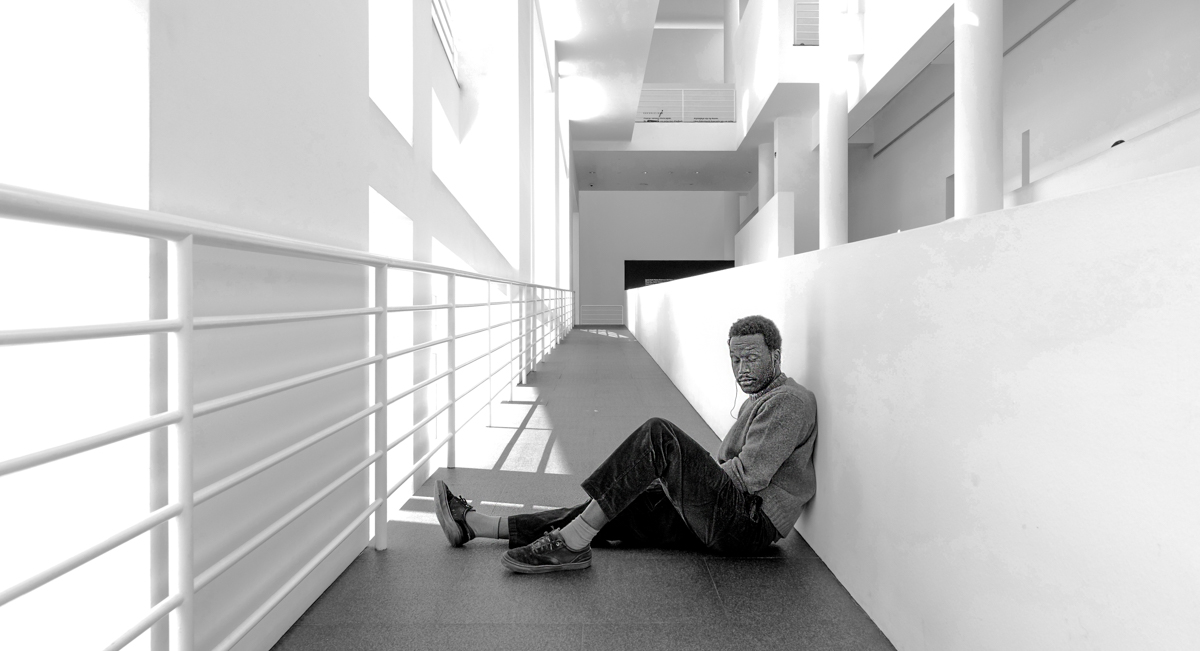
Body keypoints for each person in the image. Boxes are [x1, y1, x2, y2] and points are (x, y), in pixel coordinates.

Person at [434, 315, 817, 573]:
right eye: (735, 359)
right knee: (615, 504)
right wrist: (673, 481)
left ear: (776, 355)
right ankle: (481, 526)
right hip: (730, 515)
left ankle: (573, 543)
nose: (742, 369)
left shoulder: (789, 401)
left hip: (747, 523)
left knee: (659, 436)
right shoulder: (760, 398)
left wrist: (682, 474)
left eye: (751, 358)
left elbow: (748, 478)